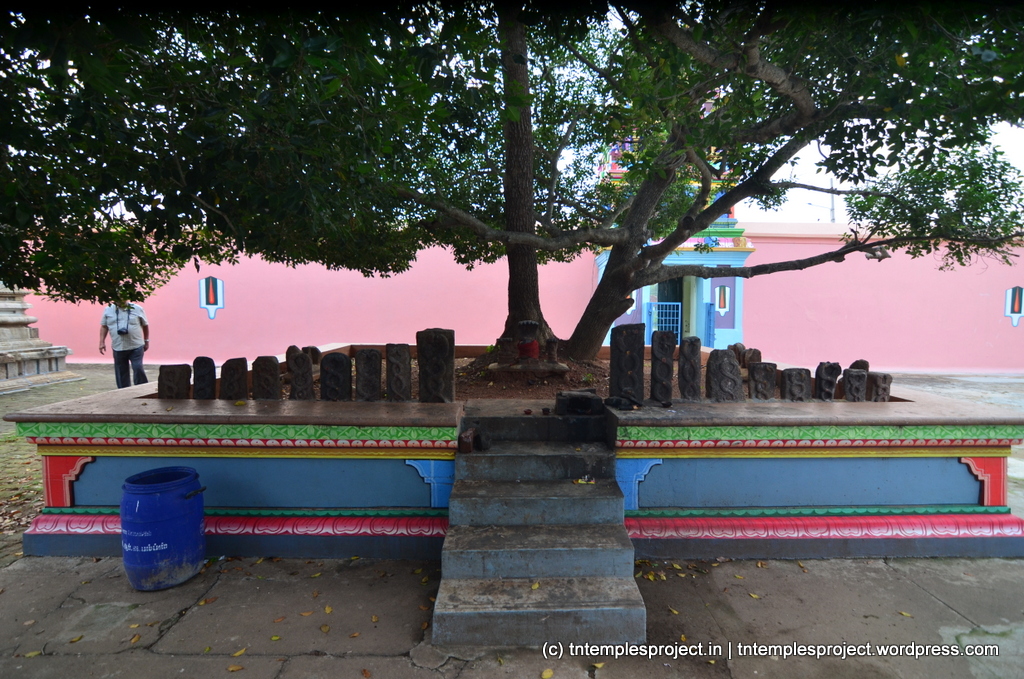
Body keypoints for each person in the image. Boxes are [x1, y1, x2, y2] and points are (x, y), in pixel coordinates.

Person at [99, 301, 150, 388]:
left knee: (138, 368)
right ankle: (123, 392)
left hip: (136, 345)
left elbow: (145, 325)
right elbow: (104, 326)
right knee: (121, 372)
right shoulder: (108, 309)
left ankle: (142, 389)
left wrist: (146, 340)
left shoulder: (137, 308)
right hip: (118, 346)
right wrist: (101, 342)